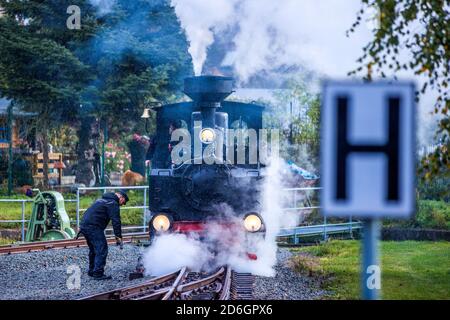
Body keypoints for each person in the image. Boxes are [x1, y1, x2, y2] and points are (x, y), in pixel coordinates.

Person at [79, 190, 129, 280]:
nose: (122, 204)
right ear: (121, 197)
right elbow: (116, 221)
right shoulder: (113, 203)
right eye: (123, 202)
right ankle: (98, 273)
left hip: (84, 225)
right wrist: (118, 237)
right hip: (93, 227)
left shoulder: (102, 200)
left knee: (94, 249)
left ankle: (92, 271)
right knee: (102, 249)